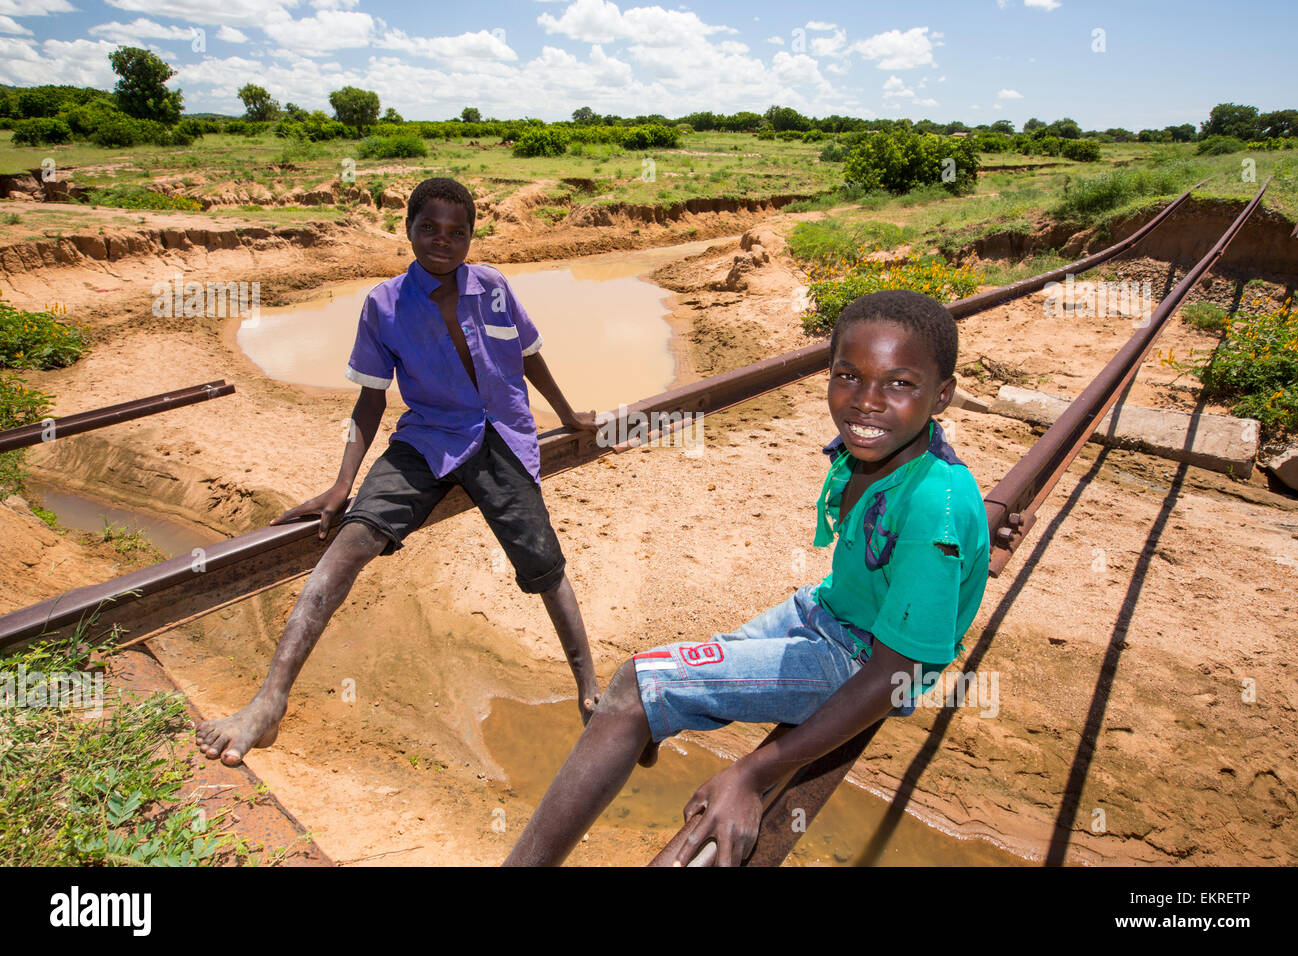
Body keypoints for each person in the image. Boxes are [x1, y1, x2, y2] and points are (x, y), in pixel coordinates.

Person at [504, 288, 990, 866]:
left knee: (636, 686)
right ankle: (640, 726)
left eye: (900, 383)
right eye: (847, 375)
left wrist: (752, 772)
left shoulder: (936, 506)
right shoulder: (885, 453)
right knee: (648, 688)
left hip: (861, 658)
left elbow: (898, 674)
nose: (866, 401)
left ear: (943, 396)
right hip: (824, 612)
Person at [196, 178, 602, 767]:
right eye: (430, 229)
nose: (444, 241)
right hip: (428, 435)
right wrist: (342, 484)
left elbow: (528, 354)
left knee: (543, 561)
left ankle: (589, 691)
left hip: (500, 436)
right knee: (351, 540)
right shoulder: (383, 305)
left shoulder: (492, 286)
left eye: (457, 231)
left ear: (471, 236)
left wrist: (567, 417)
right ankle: (268, 701)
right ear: (407, 228)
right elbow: (368, 400)